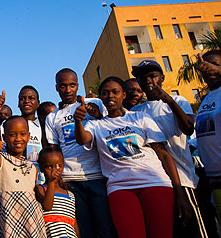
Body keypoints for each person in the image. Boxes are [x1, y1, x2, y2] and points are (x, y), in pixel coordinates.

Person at [74, 76, 192, 238]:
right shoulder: (96, 125)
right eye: (105, 93)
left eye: (115, 92)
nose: (110, 96)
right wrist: (78, 121)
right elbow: (83, 139)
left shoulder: (140, 118)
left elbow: (163, 155)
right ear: (101, 98)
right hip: (120, 188)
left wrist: (179, 191)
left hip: (155, 183)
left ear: (123, 95)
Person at [131, 60, 205, 238]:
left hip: (182, 177)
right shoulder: (136, 111)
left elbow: (188, 128)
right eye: (143, 78)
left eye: (153, 76)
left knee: (195, 229)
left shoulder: (178, 100)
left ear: (161, 78)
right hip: (156, 180)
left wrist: (168, 100)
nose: (149, 81)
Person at [45, 68, 116, 238]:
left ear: (77, 86)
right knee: (82, 231)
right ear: (56, 88)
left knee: (105, 229)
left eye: (72, 85)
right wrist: (59, 178)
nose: (68, 90)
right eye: (63, 86)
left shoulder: (95, 104)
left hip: (98, 176)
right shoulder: (53, 117)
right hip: (71, 181)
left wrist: (98, 116)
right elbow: (54, 150)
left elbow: (112, 128)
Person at [195, 50, 221, 225]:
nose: (209, 70)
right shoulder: (207, 98)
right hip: (214, 176)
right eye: (205, 67)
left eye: (215, 65)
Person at [35, 147, 80, 238]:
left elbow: (74, 223)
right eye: (49, 167)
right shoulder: (40, 189)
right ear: (41, 168)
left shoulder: (70, 195)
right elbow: (47, 206)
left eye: (59, 166)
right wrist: (51, 182)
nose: (55, 170)